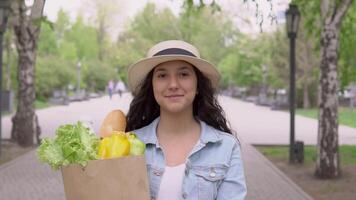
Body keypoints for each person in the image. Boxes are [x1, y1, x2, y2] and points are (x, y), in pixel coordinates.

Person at [126, 40, 246, 200]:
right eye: (162, 75)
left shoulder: (227, 147)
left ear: (197, 85)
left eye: (183, 74)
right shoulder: (128, 143)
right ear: (152, 86)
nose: (173, 84)